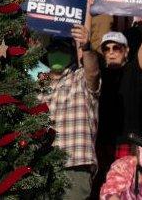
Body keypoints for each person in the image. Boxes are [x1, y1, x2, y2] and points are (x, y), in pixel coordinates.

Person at [37, 25, 100, 200]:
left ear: (71, 54)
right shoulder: (37, 87)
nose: (58, 53)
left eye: (63, 49)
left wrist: (86, 47)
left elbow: (93, 72)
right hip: (42, 167)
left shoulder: (80, 78)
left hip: (74, 165)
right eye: (54, 49)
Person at [96, 28, 142, 191]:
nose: (111, 52)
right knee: (99, 189)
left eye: (117, 48)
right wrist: (88, 6)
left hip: (127, 141)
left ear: (126, 50)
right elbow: (83, 48)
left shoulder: (134, 70)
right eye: (106, 48)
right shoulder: (97, 74)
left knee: (124, 189)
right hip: (102, 142)